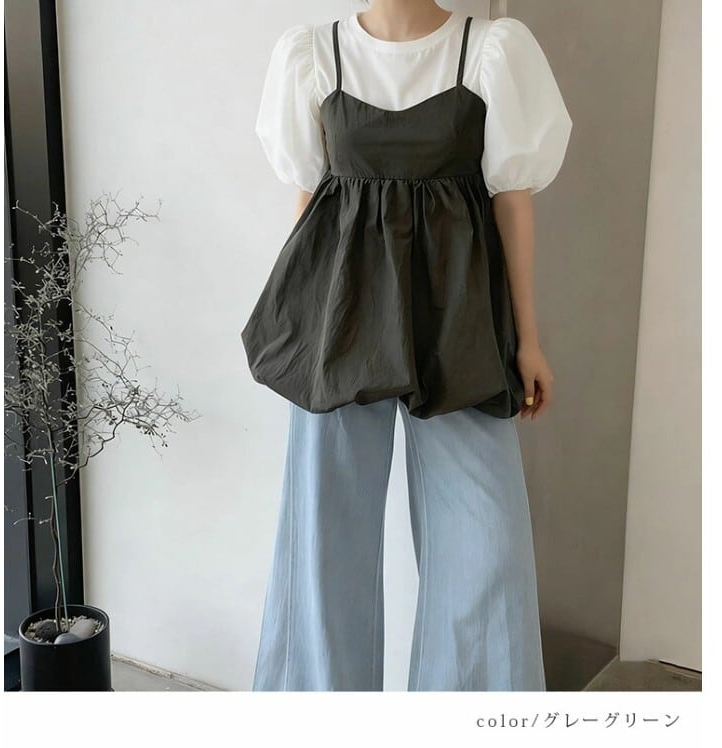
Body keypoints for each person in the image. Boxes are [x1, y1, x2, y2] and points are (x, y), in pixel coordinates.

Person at [241, 0, 572, 691]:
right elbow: (311, 200)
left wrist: (528, 339)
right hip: (340, 321)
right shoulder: (313, 54)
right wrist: (300, 325)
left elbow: (511, 200)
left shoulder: (490, 51)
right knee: (323, 538)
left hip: (459, 321)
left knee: (486, 546)